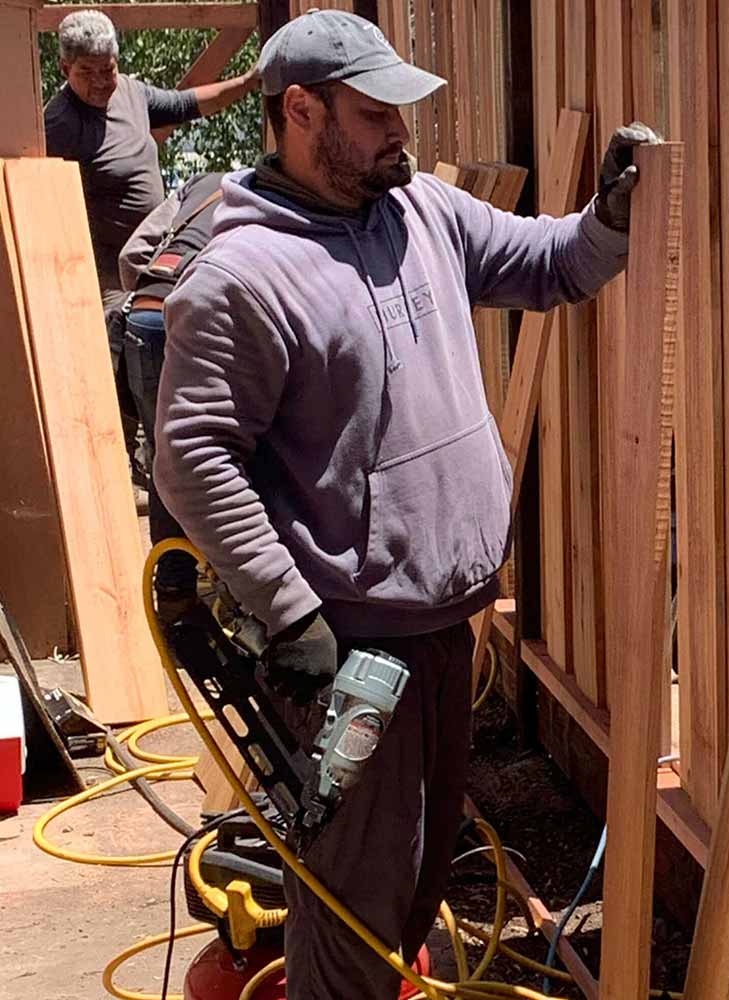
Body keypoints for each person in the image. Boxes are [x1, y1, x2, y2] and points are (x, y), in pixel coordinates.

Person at [153, 10, 657, 997]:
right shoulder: (242, 279)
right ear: (300, 111)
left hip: (438, 634)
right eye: (375, 111)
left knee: (417, 886)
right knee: (353, 907)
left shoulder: (417, 210)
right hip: (347, 655)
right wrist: (289, 610)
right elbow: (192, 459)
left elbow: (547, 265)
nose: (401, 132)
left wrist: (610, 219)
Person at [44, 10, 259, 480]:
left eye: (109, 68)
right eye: (89, 73)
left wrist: (250, 80)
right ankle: (125, 473)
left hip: (158, 260)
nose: (103, 82)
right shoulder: (58, 125)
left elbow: (187, 104)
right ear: (65, 70)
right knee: (122, 360)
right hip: (104, 273)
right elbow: (43, 205)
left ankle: (162, 458)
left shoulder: (131, 92)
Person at [118, 170, 226, 606]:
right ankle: (228, 589)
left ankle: (174, 592)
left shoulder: (199, 185)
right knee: (218, 454)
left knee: (167, 459)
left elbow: (132, 256)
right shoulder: (269, 198)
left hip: (144, 318)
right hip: (195, 321)